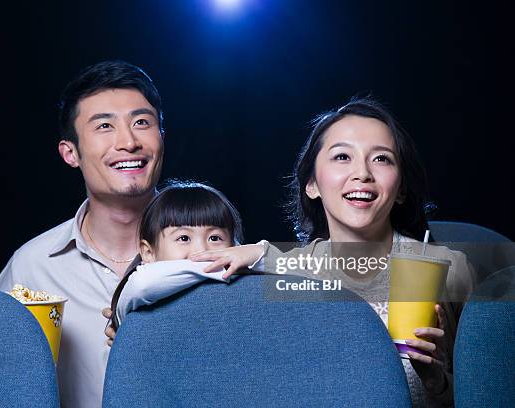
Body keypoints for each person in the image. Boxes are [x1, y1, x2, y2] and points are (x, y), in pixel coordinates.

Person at [191, 97, 475, 407]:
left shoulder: (450, 270)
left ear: (401, 189)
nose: (362, 173)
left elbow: (489, 393)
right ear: (311, 184)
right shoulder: (284, 273)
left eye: (381, 159)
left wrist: (437, 382)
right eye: (342, 156)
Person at [0, 60, 164, 408]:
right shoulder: (33, 265)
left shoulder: (212, 248)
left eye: (142, 122)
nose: (129, 141)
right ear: (71, 153)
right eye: (104, 126)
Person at [107, 180, 250, 331]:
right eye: (184, 238)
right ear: (149, 253)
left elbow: (277, 275)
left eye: (214, 238)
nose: (201, 251)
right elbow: (142, 282)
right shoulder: (140, 288)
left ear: (233, 247)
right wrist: (251, 263)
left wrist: (256, 253)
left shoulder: (242, 289)